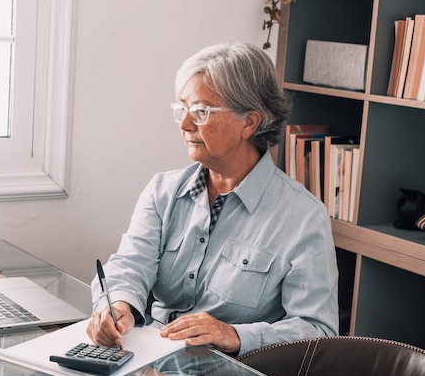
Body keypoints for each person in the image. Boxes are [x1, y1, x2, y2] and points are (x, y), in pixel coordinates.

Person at [87, 41, 338, 356]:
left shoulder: (303, 217)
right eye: (183, 108)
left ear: (249, 121)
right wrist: (119, 304)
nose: (185, 124)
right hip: (151, 361)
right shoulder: (162, 191)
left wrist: (234, 334)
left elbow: (318, 330)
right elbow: (131, 264)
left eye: (201, 112)